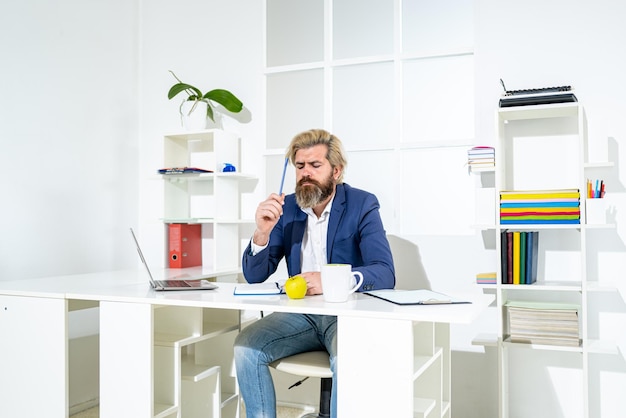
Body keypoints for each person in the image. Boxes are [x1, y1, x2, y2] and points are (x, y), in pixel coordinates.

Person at [234, 128, 395, 418]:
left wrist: (332, 281)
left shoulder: (362, 204)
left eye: (315, 165)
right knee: (247, 346)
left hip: (346, 315)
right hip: (300, 316)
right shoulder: (288, 209)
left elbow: (384, 272)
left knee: (348, 358)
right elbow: (254, 276)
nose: (306, 173)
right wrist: (261, 232)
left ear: (336, 170)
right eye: (300, 166)